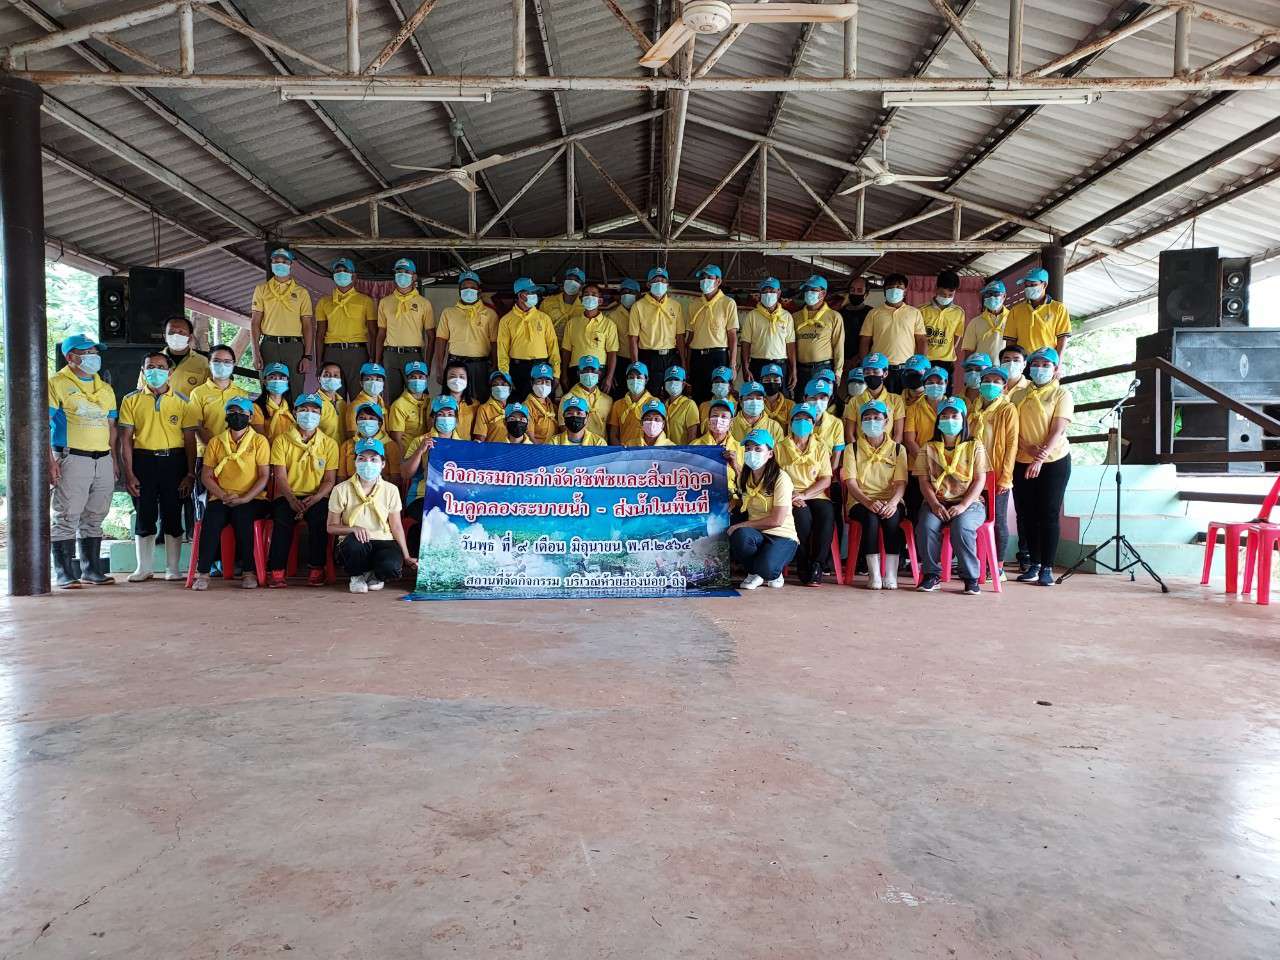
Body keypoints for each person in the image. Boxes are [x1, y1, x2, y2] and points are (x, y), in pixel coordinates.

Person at [49, 334, 119, 588]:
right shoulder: (56, 383)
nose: (93, 357)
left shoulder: (105, 388)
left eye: (95, 353)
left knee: (96, 515)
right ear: (71, 357)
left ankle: (91, 570)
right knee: (67, 514)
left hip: (103, 458)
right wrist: (50, 461)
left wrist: (114, 460)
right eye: (87, 353)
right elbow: (43, 424)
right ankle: (64, 573)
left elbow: (111, 426)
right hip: (71, 457)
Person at [119, 351, 192, 582]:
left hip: (174, 462)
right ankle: (144, 568)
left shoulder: (183, 401)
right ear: (143, 371)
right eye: (150, 367)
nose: (155, 371)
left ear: (170, 373)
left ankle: (173, 568)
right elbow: (125, 440)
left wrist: (190, 473)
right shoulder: (131, 400)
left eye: (161, 367)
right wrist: (129, 473)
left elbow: (190, 440)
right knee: (144, 513)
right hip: (143, 462)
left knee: (173, 513)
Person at [913, 397, 989, 595]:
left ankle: (970, 577)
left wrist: (963, 506)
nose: (949, 420)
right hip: (937, 502)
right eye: (944, 416)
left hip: (970, 503)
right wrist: (934, 504)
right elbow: (923, 481)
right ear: (938, 420)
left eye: (954, 416)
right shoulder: (928, 447)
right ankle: (931, 574)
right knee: (926, 526)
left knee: (961, 527)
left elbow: (980, 480)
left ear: (963, 419)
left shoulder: (975, 446)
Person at [1011, 347, 1073, 587]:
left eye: (1046, 365)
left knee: (1048, 513)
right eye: (1036, 364)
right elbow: (1012, 429)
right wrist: (1027, 449)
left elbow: (1058, 429)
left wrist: (1040, 458)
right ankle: (1034, 564)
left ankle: (1047, 567)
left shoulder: (1061, 394)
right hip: (1022, 459)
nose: (1040, 369)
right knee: (1027, 514)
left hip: (1054, 461)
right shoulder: (1018, 395)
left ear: (1055, 369)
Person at [193, 396, 270, 590]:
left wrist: (245, 498)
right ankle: (203, 573)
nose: (237, 416)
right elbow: (206, 476)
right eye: (232, 412)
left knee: (243, 519)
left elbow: (263, 476)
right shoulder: (216, 442)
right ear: (226, 416)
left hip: (252, 498)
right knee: (211, 520)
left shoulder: (259, 441)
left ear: (250, 417)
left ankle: (248, 572)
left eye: (242, 412)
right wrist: (222, 495)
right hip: (221, 497)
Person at [265, 393, 339, 588]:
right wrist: (291, 499)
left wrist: (316, 498)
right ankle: (277, 571)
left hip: (317, 496)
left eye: (314, 411)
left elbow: (329, 480)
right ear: (295, 412)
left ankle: (317, 568)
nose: (309, 414)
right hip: (287, 495)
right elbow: (280, 477)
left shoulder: (329, 444)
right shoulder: (281, 440)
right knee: (282, 520)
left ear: (321, 415)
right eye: (304, 410)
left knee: (320, 519)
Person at [327, 438, 416, 594]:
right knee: (354, 546)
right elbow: (331, 527)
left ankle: (375, 575)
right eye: (362, 459)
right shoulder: (341, 489)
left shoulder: (391, 490)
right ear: (355, 463)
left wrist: (407, 556)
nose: (367, 463)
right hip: (354, 542)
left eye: (374, 459)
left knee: (391, 567)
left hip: (384, 540)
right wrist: (353, 529)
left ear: (383, 464)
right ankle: (357, 576)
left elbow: (396, 526)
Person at [842, 399, 908, 590]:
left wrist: (893, 503)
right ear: (860, 423)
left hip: (891, 500)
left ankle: (891, 574)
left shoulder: (898, 449)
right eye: (867, 418)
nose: (872, 422)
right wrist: (868, 502)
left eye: (877, 418)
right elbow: (851, 483)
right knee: (870, 519)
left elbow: (901, 483)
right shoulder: (852, 449)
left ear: (886, 421)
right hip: (860, 501)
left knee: (892, 518)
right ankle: (874, 574)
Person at [729, 430, 799, 590]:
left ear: (770, 454)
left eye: (758, 449)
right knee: (740, 536)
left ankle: (772, 572)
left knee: (768, 569)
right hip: (758, 534)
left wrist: (741, 525)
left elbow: (777, 520)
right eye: (748, 449)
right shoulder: (744, 476)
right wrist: (734, 501)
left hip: (782, 535)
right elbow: (745, 499)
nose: (751, 453)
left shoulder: (780, 478)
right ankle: (754, 573)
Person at [776, 404, 834, 587]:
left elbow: (826, 479)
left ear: (813, 423)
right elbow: (774, 477)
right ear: (790, 423)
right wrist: (792, 495)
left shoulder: (820, 447)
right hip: (789, 495)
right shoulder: (779, 447)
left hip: (814, 494)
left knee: (826, 513)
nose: (802, 423)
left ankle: (817, 564)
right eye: (798, 419)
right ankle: (803, 563)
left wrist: (804, 495)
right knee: (801, 516)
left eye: (807, 419)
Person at [971, 364, 1019, 577]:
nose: (990, 385)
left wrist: (1005, 477)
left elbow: (1011, 445)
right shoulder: (973, 409)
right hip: (973, 475)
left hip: (997, 474)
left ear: (1004, 386)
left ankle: (997, 567)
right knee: (974, 518)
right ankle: (978, 563)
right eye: (987, 381)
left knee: (997, 520)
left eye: (996, 382)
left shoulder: (1007, 410)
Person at [401, 396, 461, 554]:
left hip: (453, 499)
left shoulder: (464, 444)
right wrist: (420, 451)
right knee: (434, 521)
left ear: (456, 419)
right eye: (441, 414)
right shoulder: (420, 441)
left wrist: (477, 451)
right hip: (422, 496)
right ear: (433, 418)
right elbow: (405, 474)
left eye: (450, 414)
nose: (446, 418)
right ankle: (421, 562)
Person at [250, 248, 314, 397]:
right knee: (269, 390)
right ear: (271, 263)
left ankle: (294, 413)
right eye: (276, 261)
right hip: (269, 345)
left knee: (296, 390)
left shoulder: (302, 292)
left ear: (291, 265)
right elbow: (255, 323)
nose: (280, 264)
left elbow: (307, 326)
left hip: (294, 347)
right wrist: (255, 352)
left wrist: (307, 356)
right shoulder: (261, 289)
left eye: (284, 261)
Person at [315, 257, 376, 399]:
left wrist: (374, 358)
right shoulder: (324, 302)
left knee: (360, 397)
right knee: (333, 397)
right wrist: (319, 362)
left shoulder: (365, 301)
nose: (341, 273)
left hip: (358, 353)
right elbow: (319, 334)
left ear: (353, 276)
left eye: (345, 270)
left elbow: (373, 332)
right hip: (331, 353)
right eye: (338, 271)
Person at [375, 257, 434, 399]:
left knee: (417, 397)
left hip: (414, 356)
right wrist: (377, 361)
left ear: (414, 276)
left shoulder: (424, 303)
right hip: (390, 355)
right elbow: (381, 333)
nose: (402, 275)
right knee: (392, 398)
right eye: (399, 272)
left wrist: (427, 364)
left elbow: (431, 336)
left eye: (407, 272)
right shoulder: (385, 302)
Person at [859, 273, 926, 392]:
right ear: (884, 291)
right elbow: (865, 341)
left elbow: (921, 340)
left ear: (905, 291)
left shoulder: (914, 313)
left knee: (905, 401)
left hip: (907, 368)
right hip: (879, 369)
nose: (894, 290)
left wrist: (922, 364)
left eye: (899, 287)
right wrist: (866, 366)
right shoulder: (874, 313)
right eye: (890, 287)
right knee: (881, 401)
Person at [434, 270, 497, 396]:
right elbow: (441, 340)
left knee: (479, 401)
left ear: (479, 291)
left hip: (480, 366)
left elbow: (495, 343)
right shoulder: (448, 312)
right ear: (459, 291)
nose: (468, 290)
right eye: (464, 287)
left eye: (472, 287)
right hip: (454, 364)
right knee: (453, 400)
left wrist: (495, 366)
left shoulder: (490, 314)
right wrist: (439, 368)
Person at [683, 264, 738, 400]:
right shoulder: (694, 304)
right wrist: (687, 363)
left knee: (718, 395)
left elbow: (732, 336)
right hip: (697, 357)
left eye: (709, 277)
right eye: (702, 277)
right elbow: (690, 337)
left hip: (718, 356)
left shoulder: (728, 303)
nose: (705, 280)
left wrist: (732, 364)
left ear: (718, 281)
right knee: (698, 395)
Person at [498, 277, 559, 397]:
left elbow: (553, 346)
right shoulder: (506, 320)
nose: (535, 295)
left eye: (535, 292)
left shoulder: (544, 318)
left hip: (542, 368)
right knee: (519, 403)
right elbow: (502, 350)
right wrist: (505, 375)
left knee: (543, 403)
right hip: (518, 369)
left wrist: (556, 373)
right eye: (531, 292)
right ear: (520, 295)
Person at [560, 281, 619, 393]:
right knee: (576, 402)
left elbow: (612, 353)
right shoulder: (572, 323)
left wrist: (609, 377)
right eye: (586, 294)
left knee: (598, 401)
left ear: (600, 300)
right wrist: (564, 374)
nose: (589, 297)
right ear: (581, 300)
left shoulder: (609, 324)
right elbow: (566, 351)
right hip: (576, 370)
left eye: (594, 294)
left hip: (599, 370)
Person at [629, 266, 686, 381]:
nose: (660, 283)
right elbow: (633, 338)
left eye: (663, 280)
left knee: (672, 389)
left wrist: (683, 361)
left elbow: (680, 336)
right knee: (651, 390)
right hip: (648, 357)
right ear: (648, 284)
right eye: (656, 280)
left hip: (671, 356)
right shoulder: (638, 306)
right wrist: (636, 364)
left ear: (667, 284)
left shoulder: (675, 306)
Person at [793, 275, 845, 399]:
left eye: (813, 290)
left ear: (823, 293)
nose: (808, 293)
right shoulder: (795, 317)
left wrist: (838, 373)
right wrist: (792, 370)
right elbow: (791, 345)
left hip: (824, 369)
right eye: (806, 290)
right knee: (802, 403)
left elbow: (838, 346)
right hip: (801, 370)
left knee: (822, 403)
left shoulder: (834, 316)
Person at [740, 277, 796, 389]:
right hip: (758, 364)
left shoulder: (786, 316)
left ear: (779, 293)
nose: (768, 294)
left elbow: (790, 345)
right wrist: (745, 368)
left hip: (780, 364)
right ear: (760, 293)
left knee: (781, 396)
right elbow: (745, 343)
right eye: (765, 291)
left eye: (772, 291)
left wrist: (793, 370)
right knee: (758, 395)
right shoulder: (752, 316)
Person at [1006, 267, 1070, 364]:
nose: (1029, 288)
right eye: (1026, 285)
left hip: (1047, 363)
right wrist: (1012, 363)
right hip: (1022, 364)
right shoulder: (1016, 311)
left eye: (1033, 284)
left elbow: (1062, 339)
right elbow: (1011, 341)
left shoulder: (1058, 308)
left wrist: (1058, 364)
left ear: (1044, 285)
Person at [139, 315, 210, 395]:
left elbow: (208, 394)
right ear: (165, 337)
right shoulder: (150, 361)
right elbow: (141, 391)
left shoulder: (203, 362)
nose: (176, 336)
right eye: (171, 332)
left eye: (181, 332)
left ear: (190, 337)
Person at [843, 353, 904, 445]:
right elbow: (849, 434)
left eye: (876, 372)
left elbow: (898, 435)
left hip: (889, 451)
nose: (871, 375)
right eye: (867, 372)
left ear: (885, 373)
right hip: (861, 451)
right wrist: (857, 451)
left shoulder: (896, 400)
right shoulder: (854, 401)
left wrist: (891, 451)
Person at [691, 397, 743, 504]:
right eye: (715, 416)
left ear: (731, 422)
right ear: (708, 420)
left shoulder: (740, 448)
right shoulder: (695, 445)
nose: (719, 419)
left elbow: (747, 483)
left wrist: (735, 465)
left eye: (724, 416)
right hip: (701, 500)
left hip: (731, 502)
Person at [340, 402, 402, 481]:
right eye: (362, 418)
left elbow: (396, 478)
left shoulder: (390, 445)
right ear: (356, 422)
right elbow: (341, 477)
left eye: (371, 418)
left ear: (380, 423)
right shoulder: (347, 445)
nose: (366, 421)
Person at [922, 271, 966, 381]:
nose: (946, 297)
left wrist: (948, 350)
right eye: (943, 294)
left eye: (950, 295)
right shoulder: (921, 310)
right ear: (936, 289)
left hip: (947, 361)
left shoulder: (959, 312)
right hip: (925, 360)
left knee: (945, 390)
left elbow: (957, 335)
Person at [558, 354, 612, 439]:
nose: (589, 373)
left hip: (602, 445)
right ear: (578, 373)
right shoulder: (567, 398)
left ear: (599, 373)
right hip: (579, 445)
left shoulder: (608, 400)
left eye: (593, 370)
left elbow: (610, 429)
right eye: (585, 370)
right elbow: (563, 427)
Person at [960, 279, 1010, 369]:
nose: (991, 297)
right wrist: (970, 372)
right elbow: (969, 351)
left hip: (1005, 370)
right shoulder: (975, 322)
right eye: (988, 294)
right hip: (982, 370)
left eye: (996, 294)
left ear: (1004, 296)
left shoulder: (1013, 319)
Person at [607, 360, 656, 445]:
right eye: (631, 377)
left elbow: (659, 433)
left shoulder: (654, 403)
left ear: (646, 380)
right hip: (624, 450)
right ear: (626, 380)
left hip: (646, 450)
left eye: (639, 377)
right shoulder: (618, 404)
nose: (635, 380)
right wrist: (621, 450)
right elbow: (613, 435)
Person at [607, 279, 641, 399]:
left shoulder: (643, 312)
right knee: (621, 395)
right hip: (621, 361)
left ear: (638, 294)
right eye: (624, 292)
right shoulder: (612, 316)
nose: (627, 295)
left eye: (631, 292)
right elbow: (610, 346)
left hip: (642, 359)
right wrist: (611, 372)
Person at [387, 360, 431, 449]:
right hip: (407, 451)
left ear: (426, 379)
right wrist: (404, 457)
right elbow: (396, 439)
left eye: (421, 377)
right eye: (413, 377)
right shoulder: (399, 405)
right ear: (407, 379)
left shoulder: (430, 401)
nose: (417, 380)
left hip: (427, 450)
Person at [836, 278, 872, 379]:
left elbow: (875, 339)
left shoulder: (872, 313)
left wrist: (858, 358)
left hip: (864, 363)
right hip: (841, 364)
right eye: (852, 290)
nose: (855, 293)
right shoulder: (838, 314)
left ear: (866, 294)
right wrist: (842, 360)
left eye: (859, 290)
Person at [731, 381, 784, 445]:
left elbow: (780, 450)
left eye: (759, 398)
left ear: (763, 401)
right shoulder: (729, 425)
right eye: (749, 398)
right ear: (741, 401)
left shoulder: (774, 427)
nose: (754, 402)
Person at [342, 362, 388, 437]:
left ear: (383, 383)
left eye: (378, 379)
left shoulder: (381, 402)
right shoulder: (355, 406)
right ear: (361, 383)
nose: (374, 383)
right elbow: (353, 436)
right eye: (368, 379)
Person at [541, 265, 587, 340]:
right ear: (563, 282)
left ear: (582, 286)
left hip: (573, 345)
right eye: (569, 279)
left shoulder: (585, 307)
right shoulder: (547, 302)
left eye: (577, 280)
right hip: (550, 345)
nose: (572, 282)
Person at [438, 359, 479, 441]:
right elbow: (430, 428)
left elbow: (476, 432)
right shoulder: (437, 402)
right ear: (446, 379)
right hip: (443, 446)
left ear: (467, 380)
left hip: (466, 446)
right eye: (452, 376)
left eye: (461, 377)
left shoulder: (475, 404)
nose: (457, 380)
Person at [662, 365, 700, 443]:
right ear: (665, 384)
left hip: (682, 450)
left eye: (676, 379)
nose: (672, 382)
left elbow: (692, 437)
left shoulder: (689, 404)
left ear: (683, 384)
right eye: (669, 379)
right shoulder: (663, 405)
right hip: (664, 449)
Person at [259, 362, 297, 440]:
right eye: (272, 377)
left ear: (287, 382)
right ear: (265, 381)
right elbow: (260, 439)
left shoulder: (293, 406)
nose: (277, 381)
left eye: (282, 378)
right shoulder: (257, 407)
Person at [523, 362, 558, 443]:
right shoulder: (526, 406)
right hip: (537, 448)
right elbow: (530, 436)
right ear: (532, 383)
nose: (544, 385)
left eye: (547, 382)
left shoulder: (553, 406)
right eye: (539, 381)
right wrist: (541, 449)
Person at [473, 369, 513, 441]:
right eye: (495, 385)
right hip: (493, 447)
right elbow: (480, 439)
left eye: (503, 384)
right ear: (491, 389)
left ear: (510, 388)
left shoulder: (516, 408)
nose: (499, 387)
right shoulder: (484, 409)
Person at [315, 361, 347, 443]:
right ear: (319, 378)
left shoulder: (343, 403)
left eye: (336, 375)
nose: (331, 378)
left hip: (343, 449)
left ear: (340, 380)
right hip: (324, 449)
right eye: (326, 375)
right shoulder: (313, 403)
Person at [698, 366, 737, 432]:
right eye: (716, 382)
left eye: (723, 382)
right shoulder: (703, 406)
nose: (719, 384)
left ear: (730, 386)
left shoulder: (737, 405)